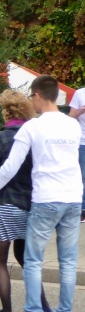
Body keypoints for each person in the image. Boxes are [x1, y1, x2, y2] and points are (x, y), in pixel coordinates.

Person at [0, 75, 82, 312]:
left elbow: (10, 167)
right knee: (68, 261)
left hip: (46, 198)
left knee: (33, 260)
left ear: (37, 96)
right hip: (73, 198)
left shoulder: (33, 127)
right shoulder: (73, 125)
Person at [0, 90, 51, 312]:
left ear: (6, 112)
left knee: (0, 260)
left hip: (5, 204)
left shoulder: (2, 138)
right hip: (30, 204)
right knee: (26, 260)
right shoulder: (35, 137)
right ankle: (44, 307)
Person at [67, 86, 85, 223]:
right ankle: (82, 210)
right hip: (82, 141)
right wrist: (80, 112)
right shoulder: (80, 93)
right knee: (82, 176)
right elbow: (71, 116)